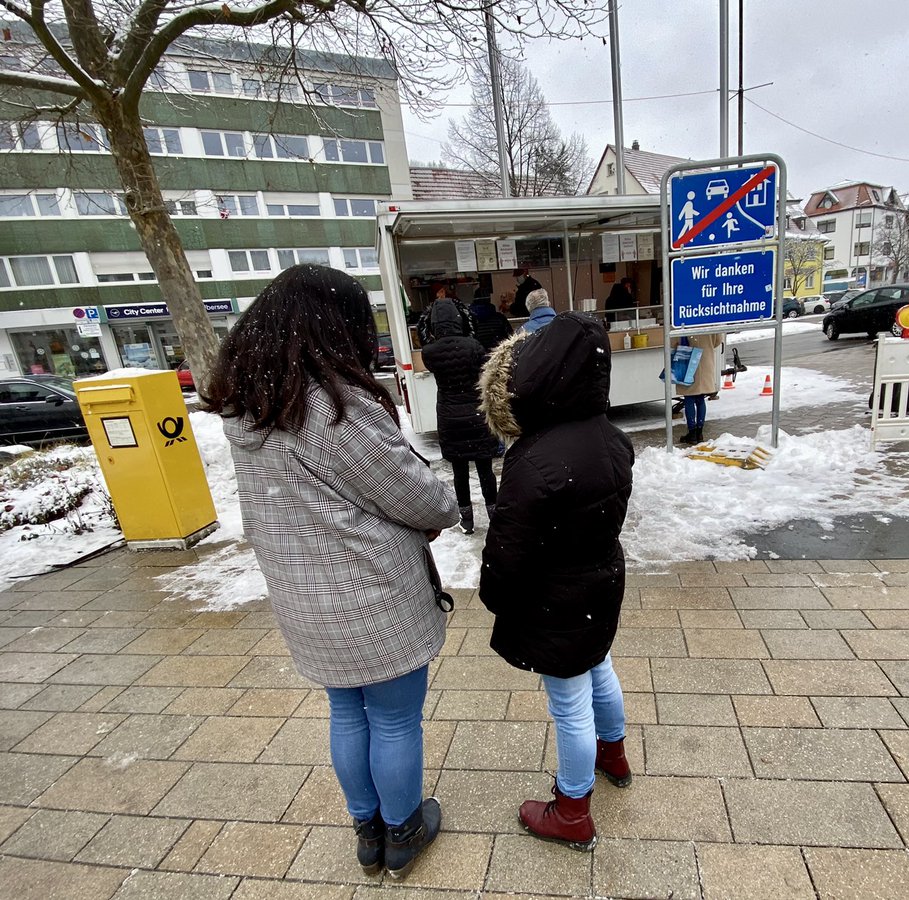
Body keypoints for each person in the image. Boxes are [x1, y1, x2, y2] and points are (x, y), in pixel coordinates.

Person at [204, 265, 459, 880]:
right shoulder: (331, 406)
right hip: (368, 596)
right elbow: (419, 497)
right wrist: (438, 505)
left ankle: (366, 830)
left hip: (303, 597)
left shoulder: (251, 405)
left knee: (346, 714)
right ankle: (403, 830)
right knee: (395, 716)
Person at [477, 313, 635, 852]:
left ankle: (571, 810)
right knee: (601, 667)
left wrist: (494, 598)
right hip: (600, 582)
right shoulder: (614, 440)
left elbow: (508, 549)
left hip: (555, 599)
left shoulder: (534, 457)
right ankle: (613, 755)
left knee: (569, 703)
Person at [421, 296, 501, 534]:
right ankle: (494, 513)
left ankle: (466, 520)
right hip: (476, 414)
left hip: (449, 417)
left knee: (460, 472)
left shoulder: (429, 352)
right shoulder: (473, 346)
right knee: (485, 469)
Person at [674, 332, 724, 445]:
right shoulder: (709, 321)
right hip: (706, 361)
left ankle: (692, 433)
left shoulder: (683, 322)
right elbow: (717, 340)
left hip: (688, 363)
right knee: (700, 399)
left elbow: (674, 342)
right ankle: (700, 432)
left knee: (689, 399)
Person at [470, 285, 513, 353]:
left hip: (478, 357)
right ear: (489, 299)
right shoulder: (499, 318)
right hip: (497, 356)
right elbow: (510, 338)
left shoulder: (470, 319)